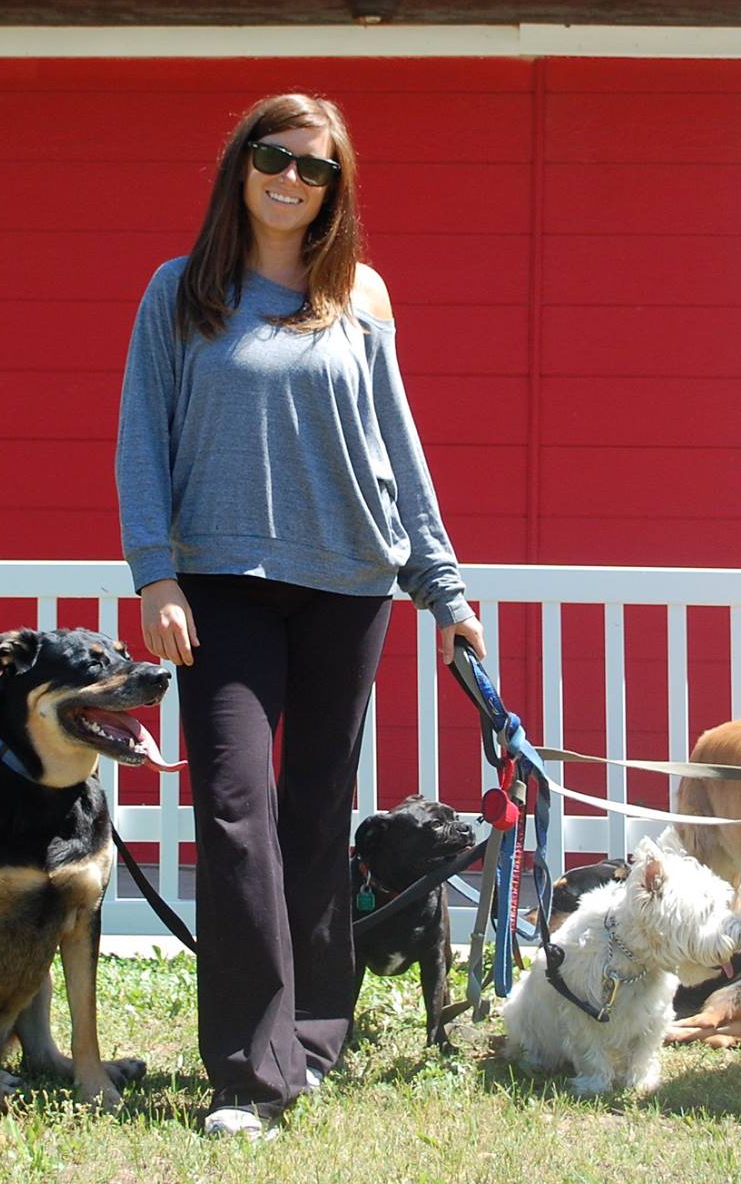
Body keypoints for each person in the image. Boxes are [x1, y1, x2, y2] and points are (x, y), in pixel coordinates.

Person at [115, 92, 484, 1138]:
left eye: (314, 168)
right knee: (236, 812)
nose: (290, 179)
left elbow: (396, 446)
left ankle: (315, 1035)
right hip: (219, 585)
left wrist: (443, 590)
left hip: (347, 585)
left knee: (316, 816)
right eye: (273, 158)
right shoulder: (181, 292)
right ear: (241, 165)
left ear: (334, 190)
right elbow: (141, 438)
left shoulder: (359, 294)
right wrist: (155, 575)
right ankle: (250, 1071)